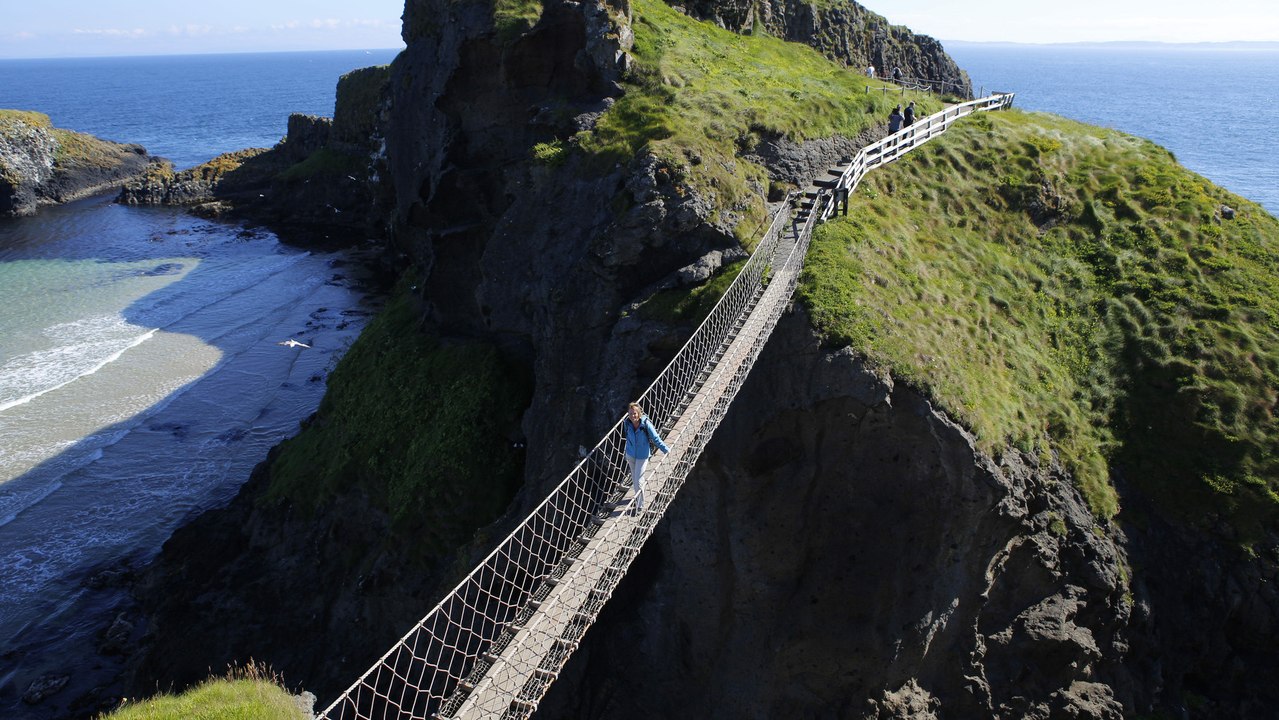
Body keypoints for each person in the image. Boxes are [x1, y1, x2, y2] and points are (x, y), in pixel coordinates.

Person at [622, 401, 669, 515]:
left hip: (642, 456)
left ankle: (640, 506)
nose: (633, 416)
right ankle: (638, 498)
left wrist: (666, 450)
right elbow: (627, 437)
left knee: (639, 480)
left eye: (635, 413)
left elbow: (655, 438)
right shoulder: (626, 423)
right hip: (630, 454)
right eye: (631, 413)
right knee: (634, 479)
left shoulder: (646, 424)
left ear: (639, 413)